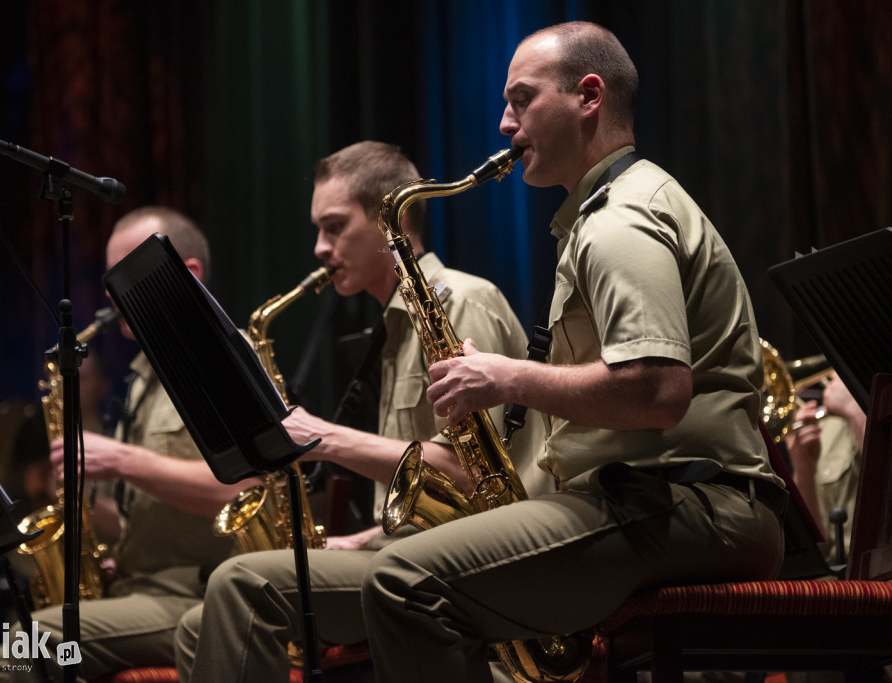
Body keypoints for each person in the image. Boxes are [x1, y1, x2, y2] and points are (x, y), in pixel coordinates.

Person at [344, 22, 787, 683]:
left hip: (689, 505)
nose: (502, 124)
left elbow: (659, 391)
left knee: (406, 580)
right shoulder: (603, 215)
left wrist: (504, 376)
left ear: (588, 96)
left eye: (521, 100)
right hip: (658, 501)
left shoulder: (621, 221)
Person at [176, 141, 551, 682]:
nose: (320, 249)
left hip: (469, 562)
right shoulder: (393, 326)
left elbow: (472, 477)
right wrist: (367, 535)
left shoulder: (459, 301)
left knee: (241, 585)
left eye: (334, 227)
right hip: (406, 551)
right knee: (198, 622)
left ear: (388, 215)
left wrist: (321, 436)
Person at [0, 206, 252, 682]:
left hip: (198, 597)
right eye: (109, 281)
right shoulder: (146, 378)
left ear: (188, 274)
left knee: (7, 655)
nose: (110, 296)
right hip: (132, 589)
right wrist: (86, 510)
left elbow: (240, 490)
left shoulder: (224, 360)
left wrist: (124, 460)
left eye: (126, 275)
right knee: (20, 635)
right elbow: (149, 515)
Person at [784, 373, 866, 562]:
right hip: (840, 577)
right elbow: (816, 547)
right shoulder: (826, 426)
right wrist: (803, 466)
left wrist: (854, 410)